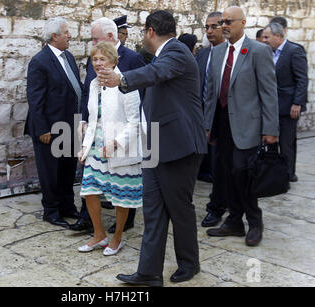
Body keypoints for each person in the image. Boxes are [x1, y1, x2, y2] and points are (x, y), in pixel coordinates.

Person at [99, 10, 207, 286]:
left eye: (142, 33)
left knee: (179, 209)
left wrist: (121, 80)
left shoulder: (177, 52)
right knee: (154, 211)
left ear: (150, 31)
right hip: (156, 143)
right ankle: (148, 272)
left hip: (179, 146)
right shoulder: (164, 55)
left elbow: (155, 72)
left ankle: (189, 264)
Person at [204, 7, 279, 247]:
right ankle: (234, 221)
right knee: (226, 174)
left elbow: (269, 93)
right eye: (221, 22)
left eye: (228, 21)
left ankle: (255, 222)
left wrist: (271, 129)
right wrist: (207, 125)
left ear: (243, 23)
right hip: (222, 125)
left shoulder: (258, 51)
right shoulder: (216, 53)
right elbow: (210, 93)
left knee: (243, 173)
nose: (223, 25)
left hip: (248, 127)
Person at [70, 17, 145, 233]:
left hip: (123, 134)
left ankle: (126, 221)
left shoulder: (133, 59)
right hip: (96, 131)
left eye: (96, 39)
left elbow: (143, 92)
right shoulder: (94, 59)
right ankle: (89, 220)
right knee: (90, 182)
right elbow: (89, 91)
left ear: (111, 37)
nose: (93, 44)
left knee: (122, 183)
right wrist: (84, 119)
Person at [25, 17, 82, 228]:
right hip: (50, 129)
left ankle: (67, 206)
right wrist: (42, 129)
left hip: (69, 125)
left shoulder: (68, 57)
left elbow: (75, 88)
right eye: (66, 32)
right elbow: (35, 98)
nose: (70, 36)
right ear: (55, 36)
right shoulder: (39, 61)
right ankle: (51, 211)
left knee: (67, 170)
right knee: (51, 172)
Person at [262, 22, 308, 183]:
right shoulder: (268, 53)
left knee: (287, 142)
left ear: (278, 36)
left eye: (267, 37)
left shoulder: (294, 51)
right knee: (271, 141)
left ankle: (288, 174)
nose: (264, 40)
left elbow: (302, 79)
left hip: (289, 106)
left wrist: (297, 103)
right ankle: (274, 173)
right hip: (271, 107)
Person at [195, 11, 227, 228]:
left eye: (213, 26)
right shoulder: (203, 55)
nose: (209, 31)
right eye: (206, 27)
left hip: (222, 120)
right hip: (199, 118)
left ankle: (217, 208)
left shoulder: (232, 54)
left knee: (221, 167)